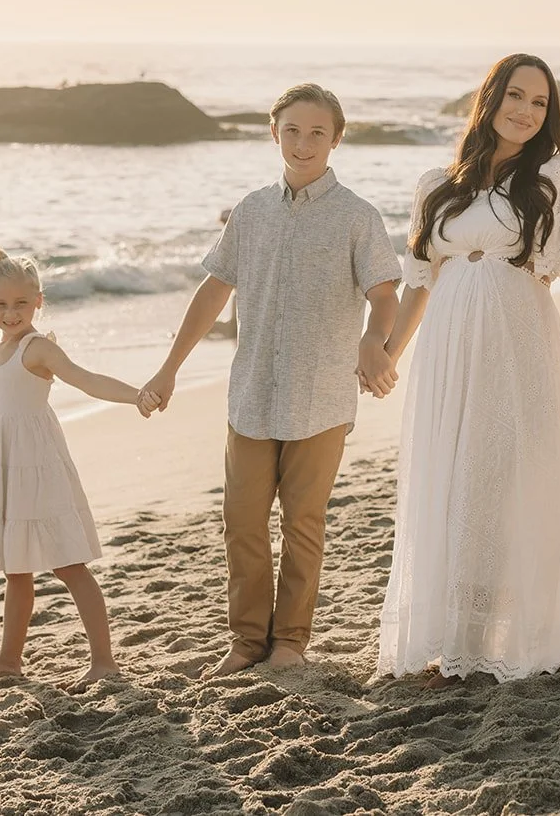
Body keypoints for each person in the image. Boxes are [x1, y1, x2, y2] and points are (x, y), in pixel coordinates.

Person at [377, 53, 560, 685]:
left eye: (539, 102)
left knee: (496, 479)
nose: (524, 111)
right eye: (515, 95)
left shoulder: (554, 173)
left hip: (515, 342)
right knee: (447, 477)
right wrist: (385, 353)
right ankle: (445, 641)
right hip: (445, 352)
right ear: (489, 99)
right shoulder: (436, 184)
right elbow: (417, 285)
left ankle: (487, 641)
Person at [143, 83, 401, 676]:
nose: (303, 143)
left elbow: (385, 295)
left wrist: (373, 340)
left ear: (336, 140)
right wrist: (169, 368)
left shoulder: (358, 216)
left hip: (320, 397)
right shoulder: (252, 211)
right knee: (242, 522)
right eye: (292, 130)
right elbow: (214, 291)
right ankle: (245, 641)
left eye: (317, 132)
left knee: (304, 523)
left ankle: (290, 641)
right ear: (273, 133)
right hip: (252, 394)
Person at [0, 247, 157, 689]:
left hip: (37, 470)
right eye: (0, 305)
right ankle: (9, 660)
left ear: (39, 301)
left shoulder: (38, 348)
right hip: (0, 472)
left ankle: (103, 660)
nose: (11, 314)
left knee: (68, 565)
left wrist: (136, 395)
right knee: (16, 569)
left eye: (21, 304)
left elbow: (86, 379)